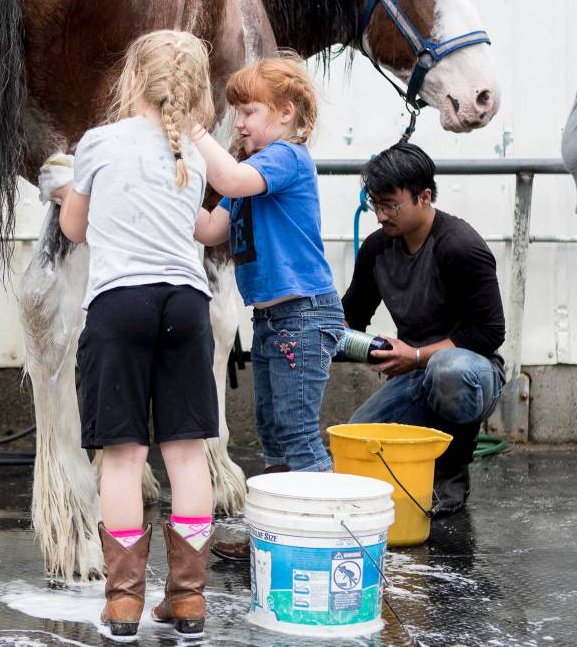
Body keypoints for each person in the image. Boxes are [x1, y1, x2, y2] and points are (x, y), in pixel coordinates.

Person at [41, 30, 218, 637]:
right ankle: (189, 599)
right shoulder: (194, 154)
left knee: (121, 457)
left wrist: (62, 187)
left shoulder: (97, 144)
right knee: (188, 454)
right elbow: (191, 225)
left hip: (120, 305)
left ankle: (123, 603)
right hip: (188, 304)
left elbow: (74, 228)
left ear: (132, 80)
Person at [190, 53, 344, 559]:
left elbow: (231, 181)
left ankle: (328, 541)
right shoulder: (252, 172)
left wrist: (194, 130)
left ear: (286, 115)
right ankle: (275, 540)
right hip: (273, 320)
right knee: (274, 437)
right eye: (236, 113)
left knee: (298, 436)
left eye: (249, 111)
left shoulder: (287, 158)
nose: (239, 122)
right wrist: (175, 176)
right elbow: (208, 229)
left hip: (304, 315)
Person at [342, 142, 506, 515]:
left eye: (390, 204)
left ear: (424, 196)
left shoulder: (461, 247)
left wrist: (416, 356)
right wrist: (323, 333)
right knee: (359, 435)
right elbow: (353, 313)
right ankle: (417, 471)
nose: (381, 215)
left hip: (474, 372)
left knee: (448, 370)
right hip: (415, 374)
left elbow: (489, 332)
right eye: (375, 205)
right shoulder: (377, 249)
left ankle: (451, 472)